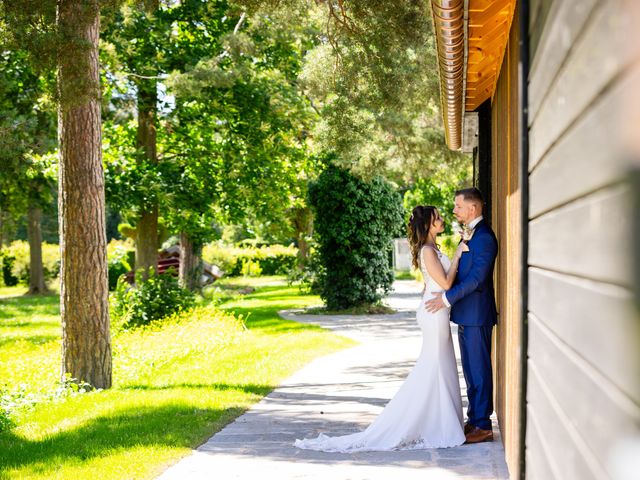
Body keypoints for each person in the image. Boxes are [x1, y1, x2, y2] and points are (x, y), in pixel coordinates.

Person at [294, 205, 468, 452]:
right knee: (435, 366)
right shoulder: (428, 250)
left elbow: (434, 281)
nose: (441, 220)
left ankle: (441, 422)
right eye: (437, 218)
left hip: (436, 309)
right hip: (434, 312)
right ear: (428, 225)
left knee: (440, 366)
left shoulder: (432, 249)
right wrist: (459, 253)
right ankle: (433, 425)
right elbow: (447, 282)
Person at [425, 188, 498, 444]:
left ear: (472, 209)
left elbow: (477, 279)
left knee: (479, 370)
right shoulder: (472, 235)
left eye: (458, 206)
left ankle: (483, 425)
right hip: (466, 314)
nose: (454, 210)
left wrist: (446, 298)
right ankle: (474, 419)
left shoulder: (485, 238)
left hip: (477, 314)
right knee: (470, 369)